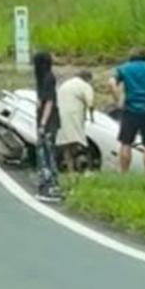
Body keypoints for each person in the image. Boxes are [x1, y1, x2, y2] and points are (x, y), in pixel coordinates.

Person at [34, 51, 62, 202]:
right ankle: (46, 185)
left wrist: (43, 123)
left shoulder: (48, 78)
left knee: (46, 152)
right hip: (47, 121)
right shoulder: (44, 78)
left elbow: (49, 102)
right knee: (44, 152)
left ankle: (50, 186)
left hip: (48, 122)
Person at [57, 70, 95, 172]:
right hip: (75, 117)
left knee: (67, 144)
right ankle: (86, 168)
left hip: (61, 116)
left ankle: (71, 170)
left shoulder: (65, 84)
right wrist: (92, 117)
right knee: (81, 142)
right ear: (88, 79)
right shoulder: (85, 86)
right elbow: (90, 103)